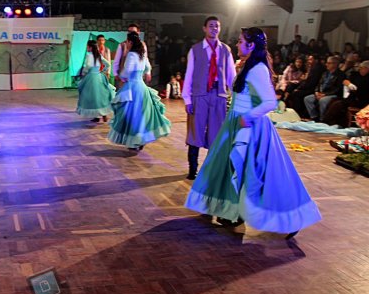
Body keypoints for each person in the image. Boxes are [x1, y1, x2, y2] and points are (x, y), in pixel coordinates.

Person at [184, 27, 321, 239]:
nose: (237, 44)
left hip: (250, 128)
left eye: (240, 41)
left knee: (259, 173)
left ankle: (287, 217)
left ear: (251, 45)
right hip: (236, 123)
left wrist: (247, 117)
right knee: (228, 167)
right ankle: (231, 212)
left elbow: (269, 102)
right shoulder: (248, 65)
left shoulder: (257, 69)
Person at [182, 16, 236, 180]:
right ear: (204, 28)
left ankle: (212, 170)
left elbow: (231, 76)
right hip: (200, 95)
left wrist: (236, 97)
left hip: (219, 95)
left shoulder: (225, 50)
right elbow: (189, 75)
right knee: (195, 132)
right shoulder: (195, 49)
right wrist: (187, 99)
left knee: (216, 134)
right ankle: (193, 169)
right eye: (211, 26)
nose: (214, 29)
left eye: (217, 26)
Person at [107, 31, 171, 150]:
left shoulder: (131, 54)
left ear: (130, 42)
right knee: (141, 115)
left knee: (131, 115)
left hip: (132, 88)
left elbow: (127, 70)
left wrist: (122, 77)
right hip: (142, 87)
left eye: (127, 41)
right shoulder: (142, 54)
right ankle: (140, 140)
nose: (126, 44)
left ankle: (134, 141)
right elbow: (147, 67)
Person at [76, 40, 115, 122]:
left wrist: (83, 73)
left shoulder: (89, 55)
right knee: (101, 96)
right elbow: (107, 64)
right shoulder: (98, 55)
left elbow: (87, 67)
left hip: (91, 77)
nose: (87, 48)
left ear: (90, 47)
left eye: (87, 46)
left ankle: (97, 116)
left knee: (91, 97)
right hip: (99, 76)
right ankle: (103, 114)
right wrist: (102, 71)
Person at [112, 24, 147, 88]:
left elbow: (145, 60)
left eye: (133, 32)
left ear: (138, 32)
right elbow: (116, 61)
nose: (131, 33)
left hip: (133, 79)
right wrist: (115, 73)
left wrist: (147, 72)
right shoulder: (122, 45)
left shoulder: (142, 46)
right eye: (129, 31)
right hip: (125, 79)